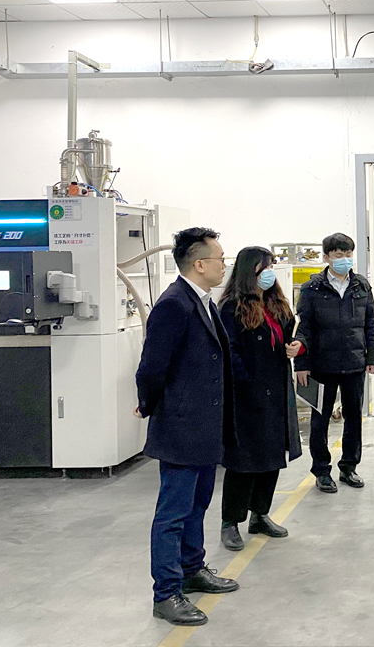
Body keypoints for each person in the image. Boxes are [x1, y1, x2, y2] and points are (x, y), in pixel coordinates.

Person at [135, 227, 239, 627]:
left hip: (205, 426)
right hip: (181, 427)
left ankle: (192, 569)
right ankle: (166, 593)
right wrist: (149, 406)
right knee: (172, 514)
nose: (224, 265)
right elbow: (151, 367)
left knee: (198, 505)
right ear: (199, 264)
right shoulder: (174, 304)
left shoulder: (204, 302)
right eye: (220, 259)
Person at [217, 247, 303, 552]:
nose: (269, 273)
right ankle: (230, 522)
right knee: (244, 462)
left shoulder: (276, 303)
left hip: (276, 390)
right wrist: (245, 382)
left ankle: (260, 514)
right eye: (263, 268)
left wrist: (296, 345)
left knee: (271, 458)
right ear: (248, 271)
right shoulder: (231, 308)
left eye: (271, 266)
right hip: (247, 394)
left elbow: (292, 334)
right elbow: (229, 351)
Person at [294, 233, 374, 493]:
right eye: (338, 255)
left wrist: (373, 356)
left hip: (354, 363)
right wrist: (301, 364)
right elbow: (303, 328)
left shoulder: (361, 285)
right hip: (322, 364)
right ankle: (321, 471)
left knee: (354, 418)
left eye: (348, 254)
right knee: (320, 420)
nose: (344, 259)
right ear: (326, 257)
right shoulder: (312, 288)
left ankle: (349, 467)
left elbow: (371, 323)